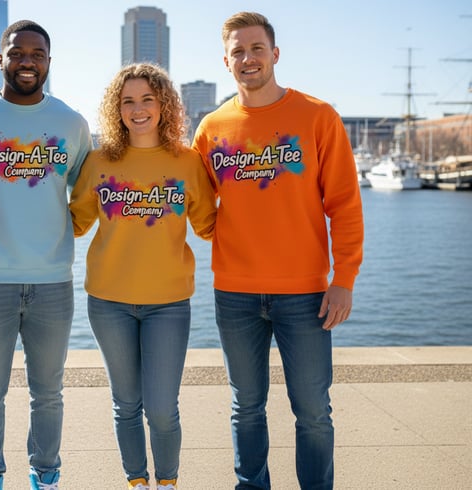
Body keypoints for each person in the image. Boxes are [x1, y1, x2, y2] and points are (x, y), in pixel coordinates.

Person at [191, 12, 364, 490]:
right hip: (235, 293)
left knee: (312, 409)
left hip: (305, 294)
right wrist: (232, 236)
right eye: (238, 52)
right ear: (226, 62)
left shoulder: (317, 116)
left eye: (257, 48)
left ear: (275, 54)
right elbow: (200, 206)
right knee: (245, 406)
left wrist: (343, 278)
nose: (248, 58)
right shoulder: (211, 128)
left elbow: (345, 204)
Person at [0, 20, 92, 490]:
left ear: (48, 62)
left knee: (48, 393)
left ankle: (46, 476)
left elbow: (85, 195)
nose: (28, 61)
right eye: (18, 52)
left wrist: (60, 231)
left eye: (37, 53)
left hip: (52, 280)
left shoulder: (70, 122)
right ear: (1, 59)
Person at [70, 63, 217, 490]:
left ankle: (167, 482)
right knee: (126, 404)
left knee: (161, 408)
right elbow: (74, 223)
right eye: (128, 101)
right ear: (116, 109)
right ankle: (136, 481)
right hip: (108, 301)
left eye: (147, 99)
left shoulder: (187, 162)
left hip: (169, 304)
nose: (138, 109)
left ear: (164, 105)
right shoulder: (99, 161)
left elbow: (212, 225)